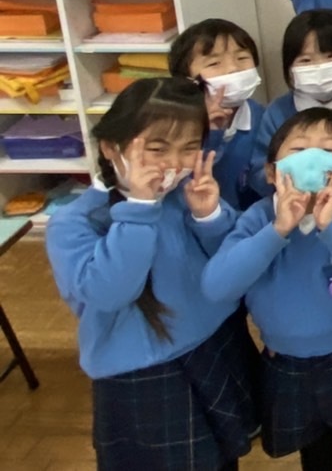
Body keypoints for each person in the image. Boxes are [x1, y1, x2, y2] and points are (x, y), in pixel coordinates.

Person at [46, 77, 258, 471]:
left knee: (226, 457)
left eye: (189, 148)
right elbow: (111, 292)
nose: (174, 163)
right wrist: (140, 208)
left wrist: (209, 215)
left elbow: (230, 265)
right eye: (157, 149)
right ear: (111, 148)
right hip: (145, 373)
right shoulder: (74, 223)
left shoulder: (185, 192)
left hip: (214, 343)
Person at [202, 107, 332, 471]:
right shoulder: (259, 218)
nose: (312, 159)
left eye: (328, 150)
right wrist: (277, 230)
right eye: (298, 150)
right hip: (286, 363)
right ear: (271, 172)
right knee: (314, 451)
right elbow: (218, 286)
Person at [248, 9, 332, 202]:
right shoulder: (277, 112)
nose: (318, 67)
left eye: (331, 56)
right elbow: (259, 171)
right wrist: (291, 179)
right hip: (292, 206)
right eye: (305, 60)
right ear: (289, 68)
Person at [168, 18, 265, 209]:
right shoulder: (175, 126)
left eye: (242, 58)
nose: (233, 68)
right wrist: (210, 133)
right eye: (214, 63)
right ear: (187, 79)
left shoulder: (263, 118)